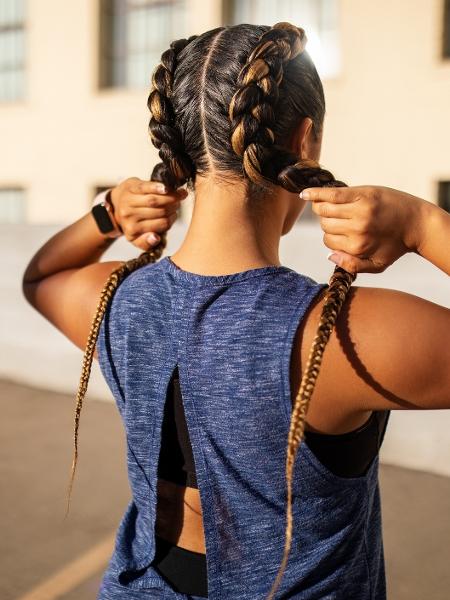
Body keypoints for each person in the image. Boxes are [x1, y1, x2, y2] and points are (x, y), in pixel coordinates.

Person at [21, 22, 449, 600]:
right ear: (304, 142)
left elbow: (41, 277)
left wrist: (106, 215)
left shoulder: (121, 300)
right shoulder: (344, 333)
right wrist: (425, 225)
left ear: (178, 147)